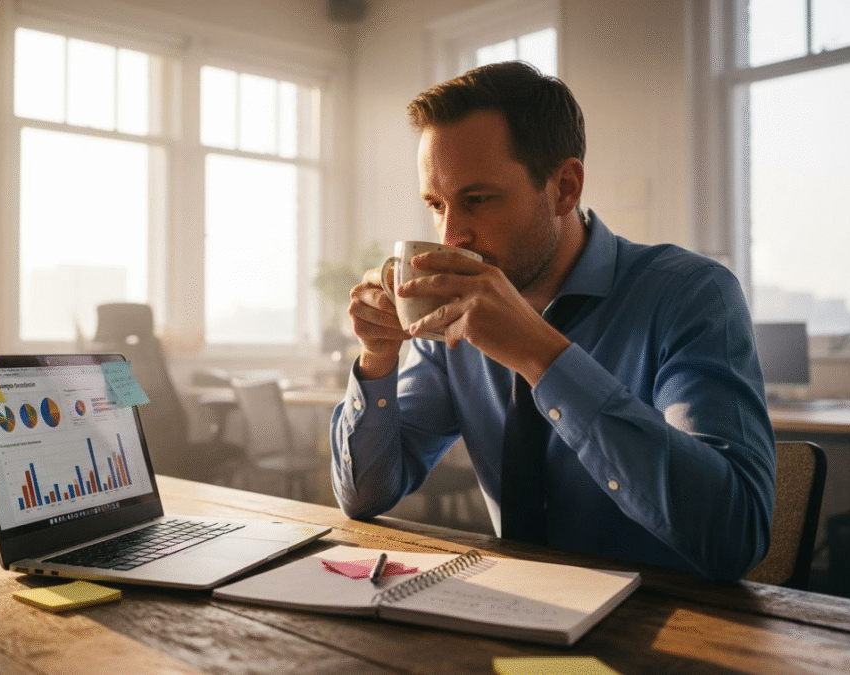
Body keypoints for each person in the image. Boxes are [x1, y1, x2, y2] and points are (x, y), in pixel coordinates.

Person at [330, 61, 775, 583]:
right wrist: (378, 360)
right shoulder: (450, 320)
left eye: (477, 200)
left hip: (667, 629)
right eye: (436, 204)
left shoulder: (691, 294)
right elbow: (364, 496)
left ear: (565, 187)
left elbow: (735, 535)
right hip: (515, 613)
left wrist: (542, 357)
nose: (451, 236)